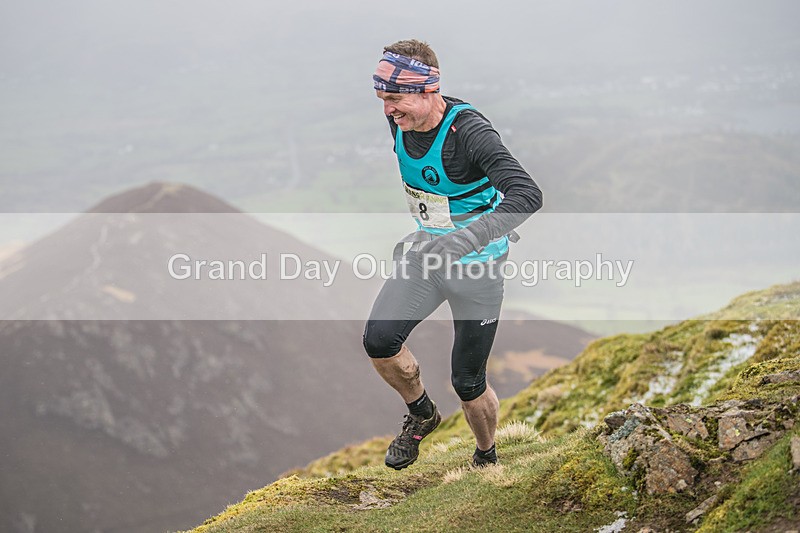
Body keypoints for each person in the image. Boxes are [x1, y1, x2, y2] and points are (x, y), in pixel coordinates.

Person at [363, 39, 542, 470]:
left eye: (395, 99)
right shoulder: (402, 122)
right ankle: (422, 412)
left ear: (428, 90)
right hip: (427, 256)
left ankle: (486, 455)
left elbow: (527, 195)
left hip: (477, 268)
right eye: (382, 100)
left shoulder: (471, 135)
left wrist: (467, 239)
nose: (388, 111)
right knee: (379, 342)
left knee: (467, 382)